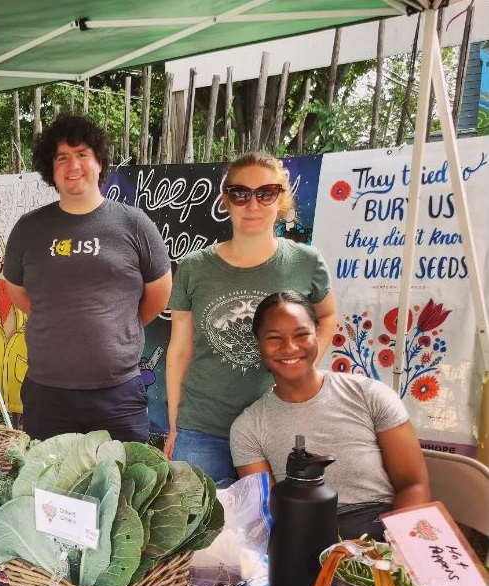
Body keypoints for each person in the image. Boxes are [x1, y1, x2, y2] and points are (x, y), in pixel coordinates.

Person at [165, 151, 338, 486]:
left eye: (266, 193)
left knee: (273, 529)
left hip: (276, 423)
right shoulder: (194, 267)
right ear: (225, 201)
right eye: (240, 194)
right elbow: (179, 351)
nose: (253, 204)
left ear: (281, 199)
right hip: (203, 428)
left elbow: (328, 315)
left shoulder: (306, 261)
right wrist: (174, 424)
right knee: (199, 532)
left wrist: (304, 363)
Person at [2, 114, 172, 441]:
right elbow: (19, 294)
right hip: (47, 394)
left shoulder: (134, 224)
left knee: (125, 488)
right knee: (48, 491)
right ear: (50, 169)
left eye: (82, 155)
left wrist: (117, 324)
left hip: (118, 394)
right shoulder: (29, 229)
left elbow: (159, 294)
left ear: (99, 162)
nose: (73, 165)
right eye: (62, 157)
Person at [230, 291, 430, 541]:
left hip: (381, 537)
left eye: (301, 334)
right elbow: (267, 517)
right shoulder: (247, 428)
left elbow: (413, 484)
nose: (289, 347)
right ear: (258, 344)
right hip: (302, 544)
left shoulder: (371, 395)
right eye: (274, 338)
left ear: (317, 333)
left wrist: (397, 551)